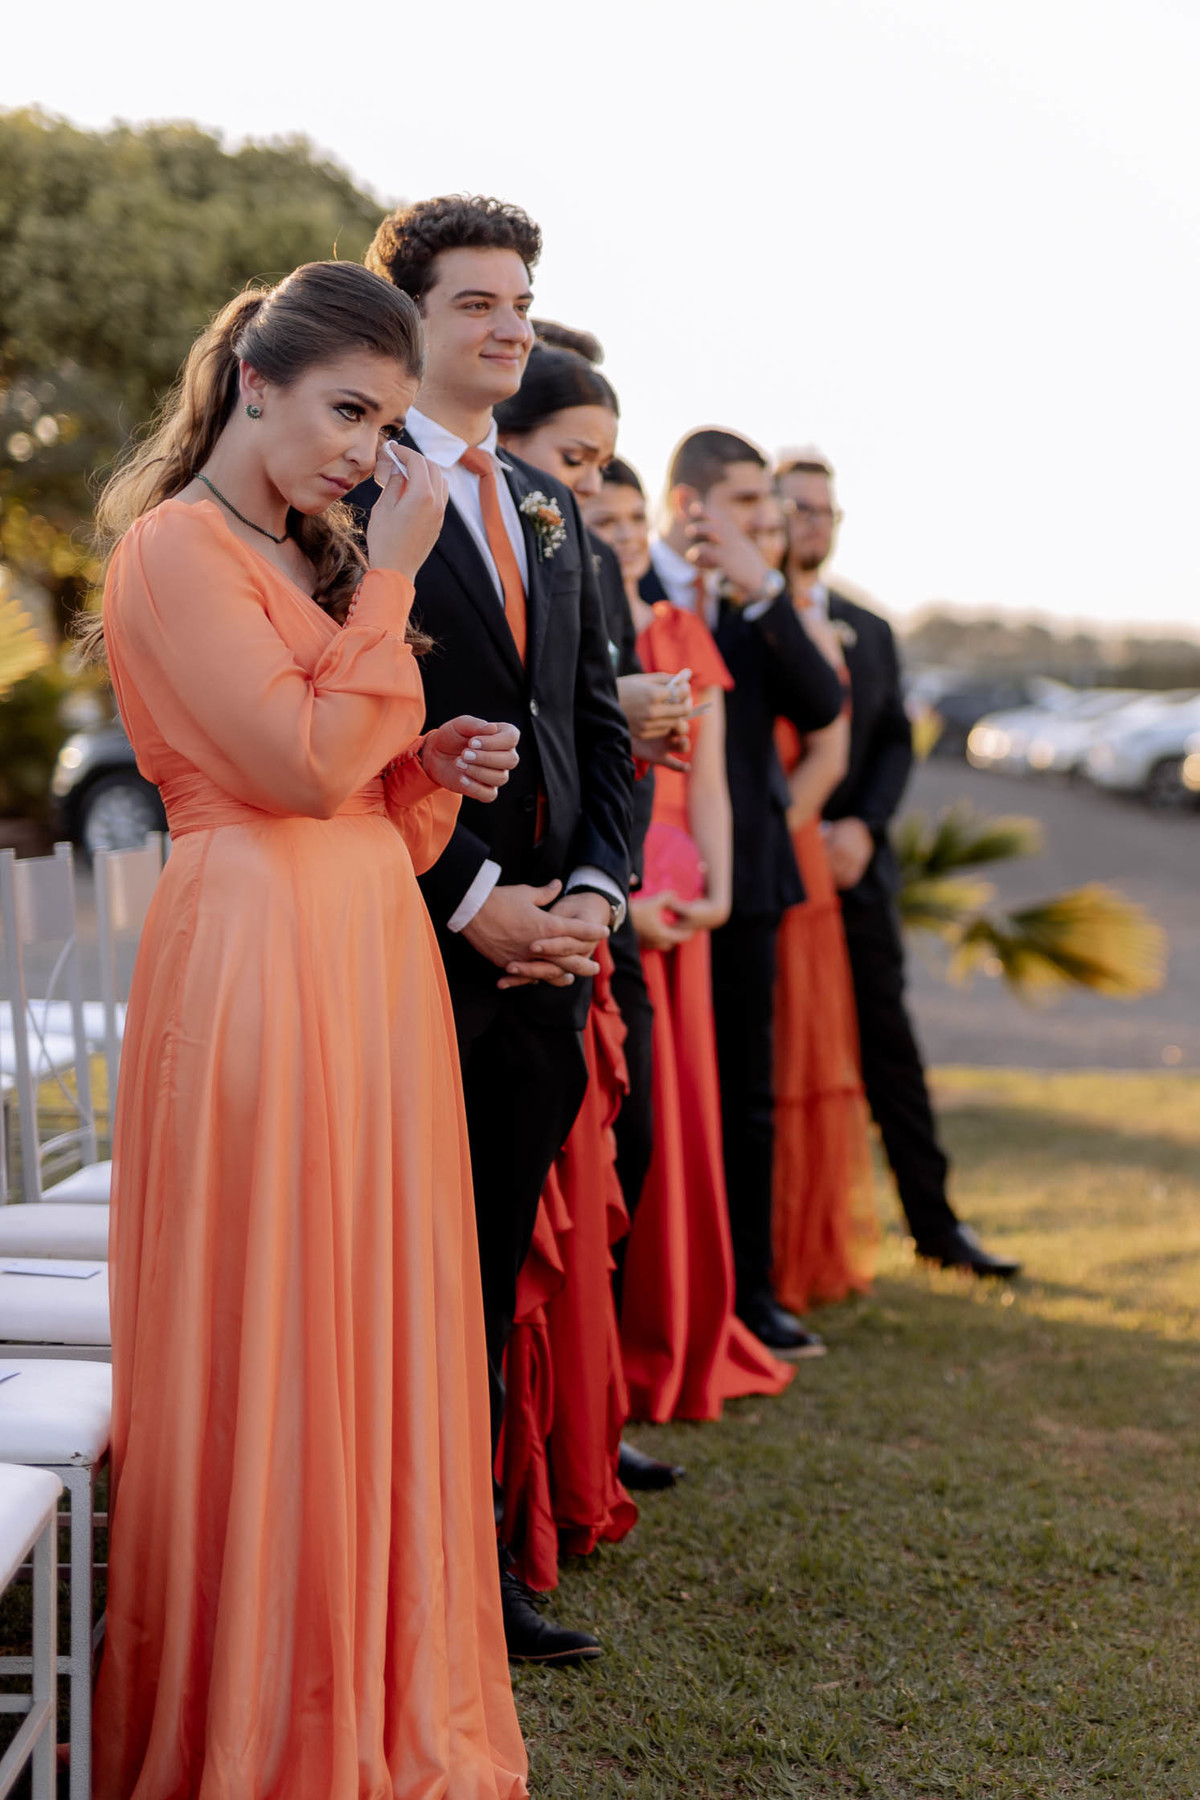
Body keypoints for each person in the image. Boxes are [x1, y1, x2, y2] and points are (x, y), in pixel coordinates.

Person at [89, 261, 527, 1799]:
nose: (362, 449)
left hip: (365, 956)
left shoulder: (303, 562)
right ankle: (263, 1708)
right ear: (253, 382)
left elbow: (356, 804)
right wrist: (396, 586)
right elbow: (282, 767)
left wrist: (426, 780)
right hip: (257, 965)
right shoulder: (175, 549)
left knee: (364, 1309)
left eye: (387, 423)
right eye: (348, 408)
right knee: (276, 1315)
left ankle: (369, 1681)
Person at [355, 197, 635, 1664]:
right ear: (408, 320)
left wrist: (590, 894)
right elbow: (348, 739)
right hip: (411, 942)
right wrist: (477, 902)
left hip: (549, 962)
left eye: (520, 298)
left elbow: (594, 730)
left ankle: (476, 1562)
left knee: (486, 1256)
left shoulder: (546, 506)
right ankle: (390, 1560)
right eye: (477, 300)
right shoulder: (349, 493)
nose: (511, 324)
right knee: (398, 1273)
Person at [496, 338, 687, 1497]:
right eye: (574, 459)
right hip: (492, 909)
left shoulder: (579, 550)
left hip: (584, 905)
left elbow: (596, 735)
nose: (589, 490)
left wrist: (603, 886)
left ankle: (584, 1417)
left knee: (622, 1161)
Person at [775, 448, 1022, 1278]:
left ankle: (937, 1228)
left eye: (826, 512)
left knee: (891, 1049)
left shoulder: (869, 629)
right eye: (799, 509)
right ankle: (773, 1239)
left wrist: (864, 830)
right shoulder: (743, 618)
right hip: (771, 873)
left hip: (853, 870)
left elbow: (889, 746)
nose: (815, 525)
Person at [586, 460, 794, 1420]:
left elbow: (708, 780)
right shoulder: (581, 635)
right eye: (603, 511)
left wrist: (713, 893)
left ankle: (677, 1324)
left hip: (681, 890)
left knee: (679, 1123)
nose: (624, 531)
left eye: (635, 516)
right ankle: (613, 1345)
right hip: (614, 892)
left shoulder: (679, 634)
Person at [643, 430, 846, 1355]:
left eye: (770, 503)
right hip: (651, 881)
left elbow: (820, 706)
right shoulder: (637, 586)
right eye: (746, 501)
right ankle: (664, 1290)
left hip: (752, 878)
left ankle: (750, 1291)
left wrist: (762, 593)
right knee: (663, 1092)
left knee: (746, 1093)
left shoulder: (764, 602)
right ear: (691, 507)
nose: (766, 519)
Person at [753, 492, 880, 1313]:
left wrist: (772, 832)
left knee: (801, 1047)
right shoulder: (731, 610)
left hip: (782, 841)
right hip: (745, 842)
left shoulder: (808, 628)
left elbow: (831, 754)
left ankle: (800, 1246)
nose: (796, 528)